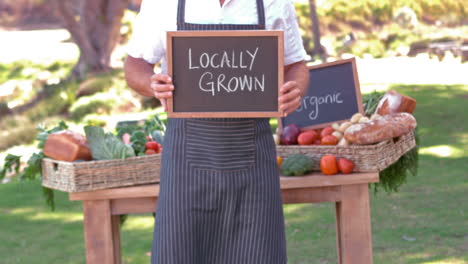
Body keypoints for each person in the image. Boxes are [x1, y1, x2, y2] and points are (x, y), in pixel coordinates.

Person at [124, 0, 309, 263]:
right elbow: (135, 65)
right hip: (186, 164)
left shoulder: (273, 2)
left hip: (253, 161)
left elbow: (295, 65)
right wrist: (151, 84)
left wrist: (295, 88)